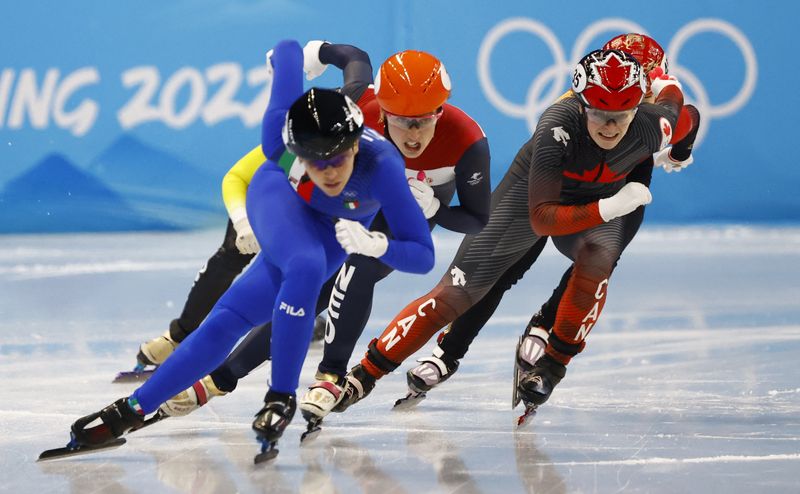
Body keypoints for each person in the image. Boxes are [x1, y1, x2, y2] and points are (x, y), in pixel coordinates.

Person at [63, 39, 435, 458]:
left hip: (338, 230)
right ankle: (280, 398)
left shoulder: (383, 166)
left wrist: (377, 244)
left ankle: (129, 410)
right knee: (307, 266)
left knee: (231, 318)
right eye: (315, 162)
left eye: (336, 160)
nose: (328, 172)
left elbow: (423, 256)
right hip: (280, 200)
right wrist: (294, 55)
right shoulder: (279, 139)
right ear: (296, 152)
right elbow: (287, 49)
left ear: (353, 146)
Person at [333, 47, 691, 414]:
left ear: (641, 102)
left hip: (605, 198)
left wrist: (680, 148)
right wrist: (610, 206)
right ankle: (367, 373)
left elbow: (685, 115)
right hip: (541, 198)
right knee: (459, 292)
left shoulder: (654, 125)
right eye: (598, 113)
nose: (610, 126)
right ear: (581, 104)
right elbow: (542, 219)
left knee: (597, 261)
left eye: (622, 114)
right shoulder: (558, 125)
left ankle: (552, 363)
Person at [159, 43, 492, 426]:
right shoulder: (354, 114)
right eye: (401, 120)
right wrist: (320, 52)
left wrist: (436, 208)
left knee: (362, 267)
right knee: (307, 289)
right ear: (381, 111)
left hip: (411, 207)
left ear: (441, 110)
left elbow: (476, 219)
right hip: (352, 201)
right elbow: (356, 64)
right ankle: (221, 377)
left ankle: (331, 375)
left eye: (424, 120)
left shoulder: (467, 140)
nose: (413, 134)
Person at [131, 41, 377, 372]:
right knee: (234, 251)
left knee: (328, 260)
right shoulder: (293, 136)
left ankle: (302, 315)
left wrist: (320, 51)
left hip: (331, 204)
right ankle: (181, 334)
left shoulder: (370, 105)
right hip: (279, 195)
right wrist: (243, 222)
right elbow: (235, 178)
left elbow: (355, 57)